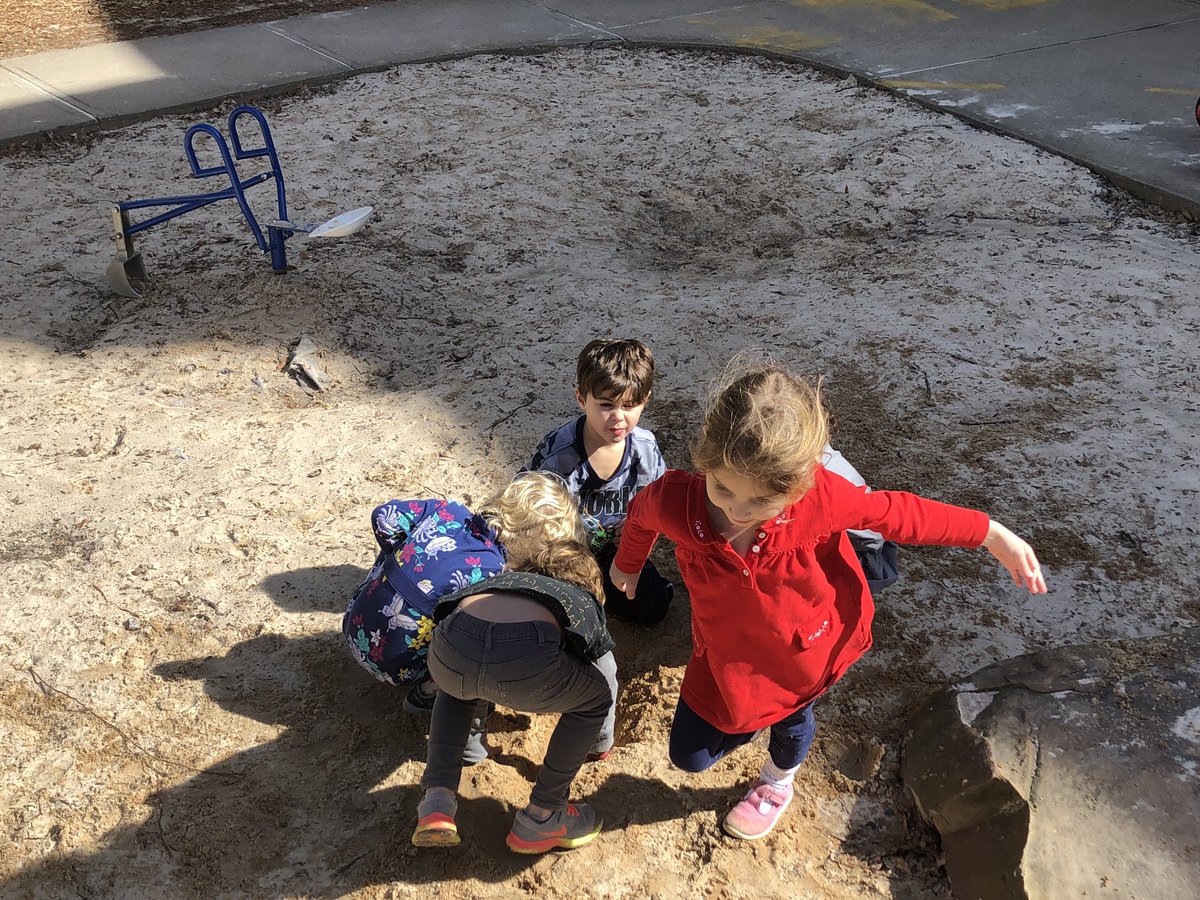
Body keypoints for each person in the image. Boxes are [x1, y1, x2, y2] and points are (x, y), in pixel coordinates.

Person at [609, 361, 1047, 841]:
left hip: (800, 650)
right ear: (707, 452)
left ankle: (778, 780)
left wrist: (989, 533)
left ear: (799, 483)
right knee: (690, 757)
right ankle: (758, 719)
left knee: (792, 719)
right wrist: (628, 564)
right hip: (725, 652)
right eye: (723, 489)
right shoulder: (676, 502)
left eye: (759, 503)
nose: (736, 510)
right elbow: (641, 518)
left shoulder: (818, 499)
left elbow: (896, 513)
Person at [412, 472, 617, 854]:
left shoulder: (496, 575)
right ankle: (543, 815)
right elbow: (598, 658)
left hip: (451, 636)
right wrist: (601, 739)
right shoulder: (577, 595)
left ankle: (437, 800)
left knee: (458, 688)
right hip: (525, 654)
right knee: (595, 697)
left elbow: (448, 614)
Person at [521, 338, 674, 626]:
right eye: (605, 405)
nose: (618, 418)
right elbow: (525, 506)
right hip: (562, 555)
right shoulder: (559, 455)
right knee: (561, 617)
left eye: (630, 405)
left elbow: (661, 501)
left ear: (646, 400)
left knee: (652, 607)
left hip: (617, 551)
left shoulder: (645, 448)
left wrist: (636, 527)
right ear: (581, 399)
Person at [342, 494, 505, 764]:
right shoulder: (496, 570)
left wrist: (398, 557)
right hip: (401, 666)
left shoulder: (446, 509)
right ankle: (428, 691)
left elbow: (383, 515)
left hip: (355, 626)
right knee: (475, 646)